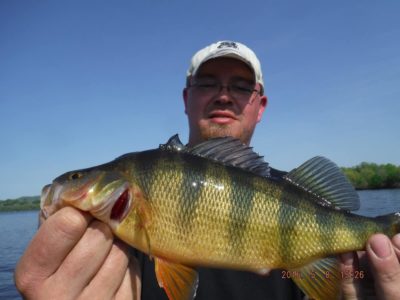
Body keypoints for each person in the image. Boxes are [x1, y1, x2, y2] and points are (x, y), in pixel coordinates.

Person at [15, 41, 400, 299]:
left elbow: (337, 281)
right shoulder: (118, 243)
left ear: (260, 105)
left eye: (241, 86)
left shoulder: (297, 191)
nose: (223, 94)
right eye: (208, 83)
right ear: (186, 97)